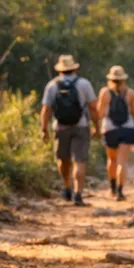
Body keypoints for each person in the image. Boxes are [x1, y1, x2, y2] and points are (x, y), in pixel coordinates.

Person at [40, 55, 97, 206]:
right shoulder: (84, 84)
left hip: (60, 127)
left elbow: (46, 109)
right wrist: (96, 126)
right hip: (81, 126)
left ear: (60, 70)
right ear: (75, 68)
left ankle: (67, 187)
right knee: (80, 160)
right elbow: (93, 108)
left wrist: (44, 129)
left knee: (62, 159)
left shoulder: (52, 85)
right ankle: (78, 193)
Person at [97, 65, 134, 201]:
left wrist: (97, 127)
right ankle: (120, 191)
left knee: (111, 159)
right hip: (127, 128)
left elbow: (99, 113)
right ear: (124, 79)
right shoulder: (131, 93)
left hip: (110, 128)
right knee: (122, 161)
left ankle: (112, 188)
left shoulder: (104, 92)